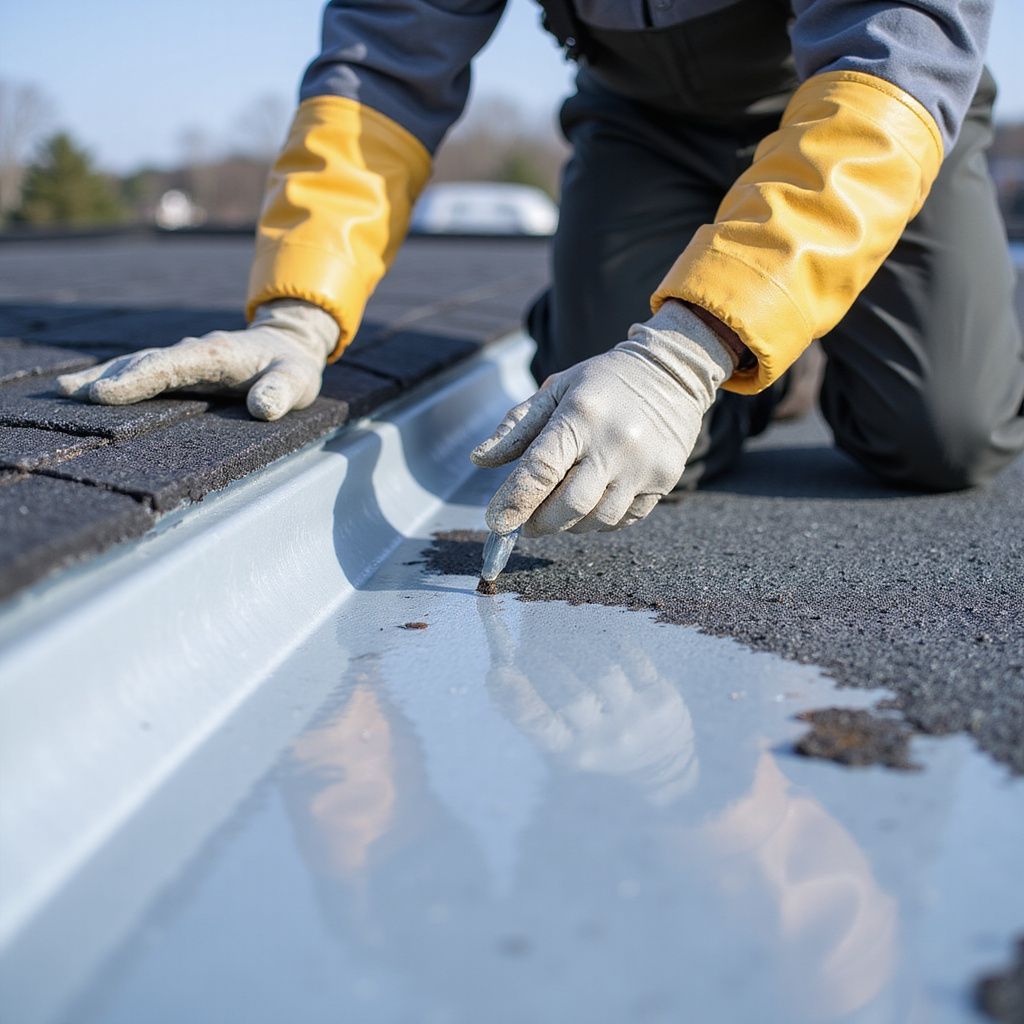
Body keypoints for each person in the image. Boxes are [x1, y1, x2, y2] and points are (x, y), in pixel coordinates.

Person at [58, 0, 1024, 539]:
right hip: (651, 131)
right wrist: (297, 313)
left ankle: (765, 331)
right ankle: (769, 368)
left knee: (947, 434)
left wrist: (683, 357)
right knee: (614, 447)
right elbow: (386, 70)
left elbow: (896, 56)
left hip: (874, 116)